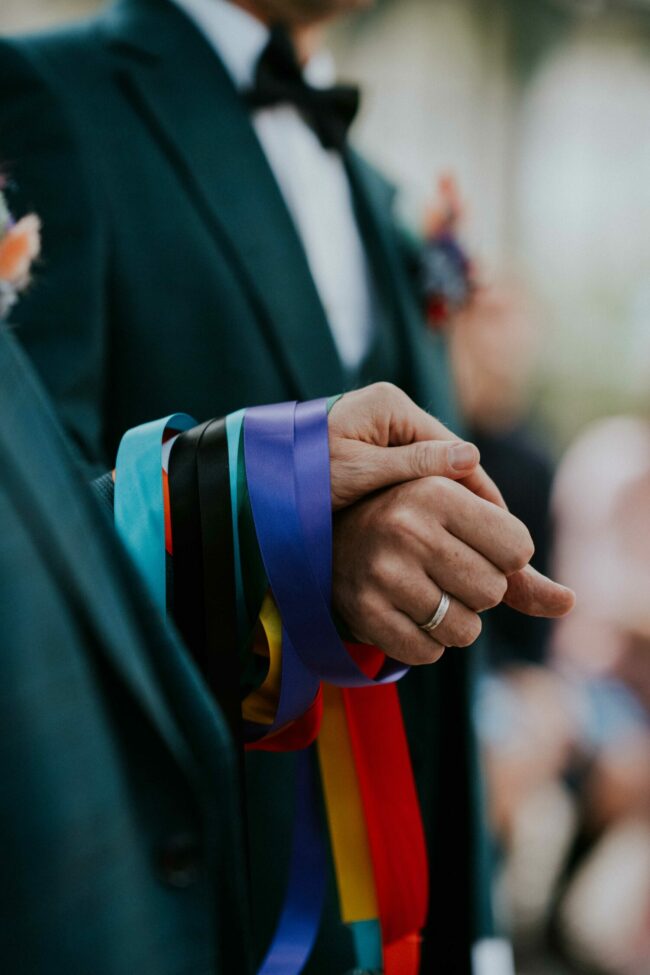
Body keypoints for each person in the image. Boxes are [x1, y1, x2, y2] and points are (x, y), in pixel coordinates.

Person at [0, 3, 572, 969]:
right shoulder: (45, 93)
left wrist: (474, 926)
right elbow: (35, 521)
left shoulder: (378, 191)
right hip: (205, 893)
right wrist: (290, 531)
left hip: (405, 910)